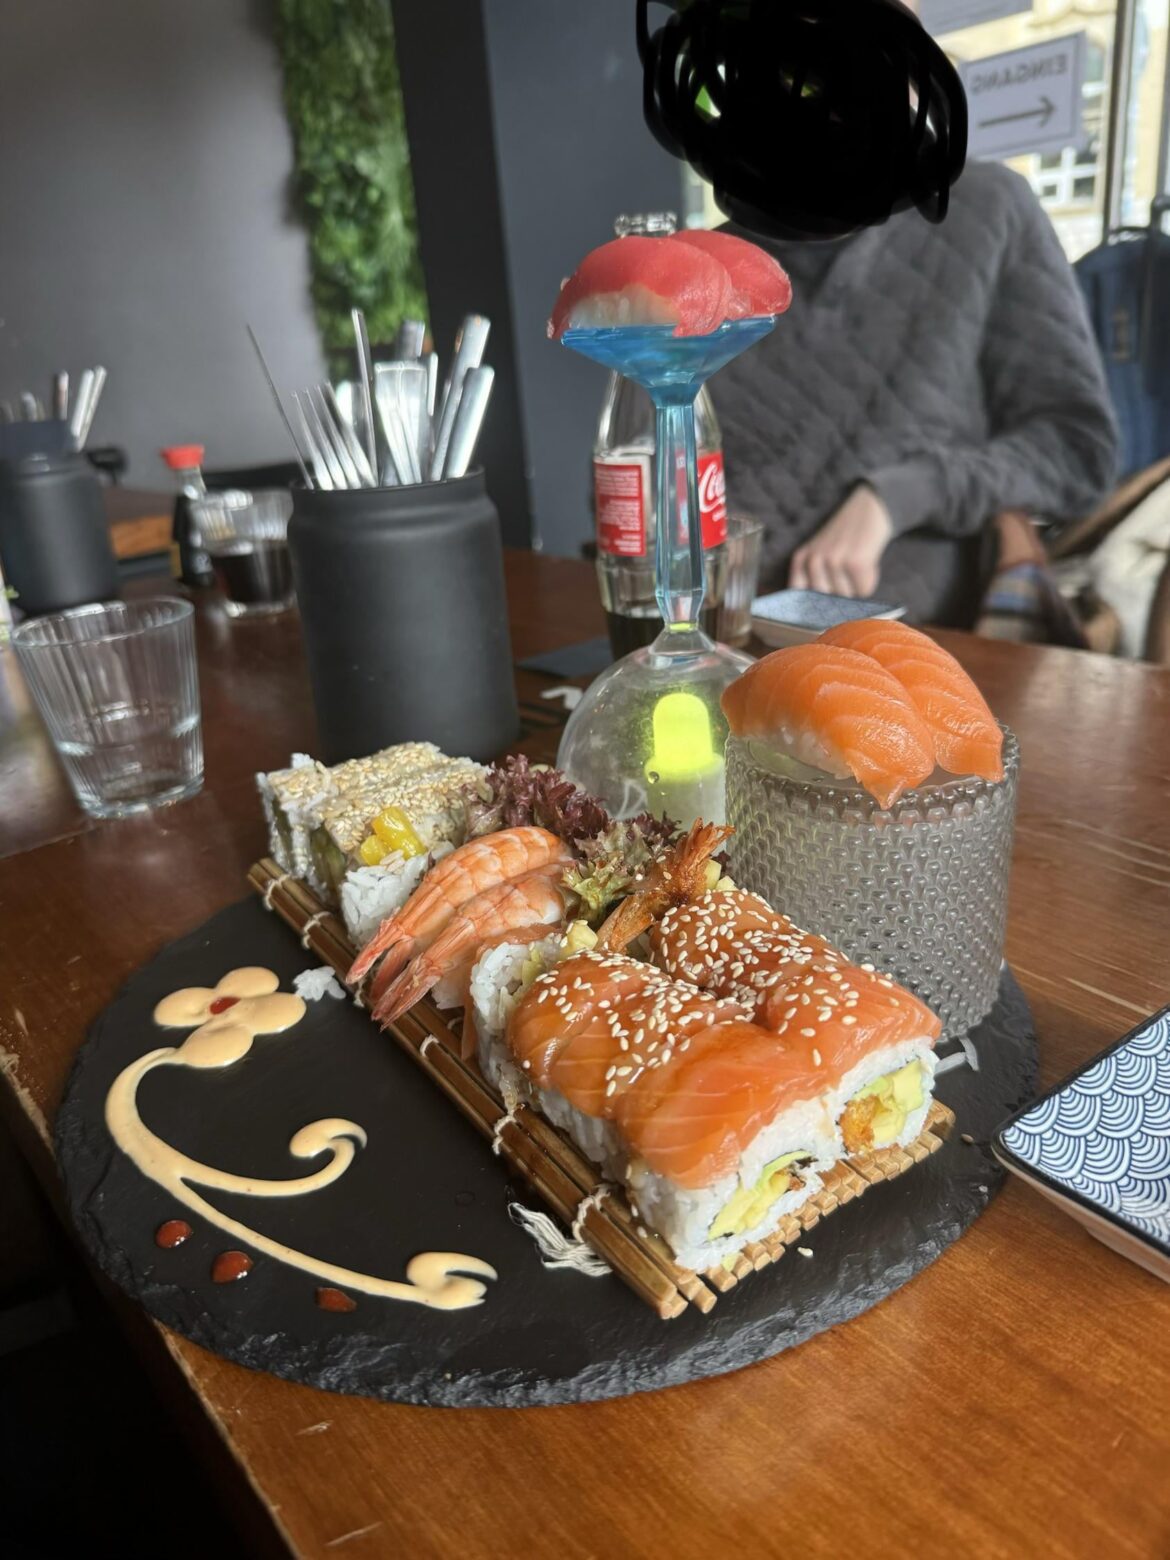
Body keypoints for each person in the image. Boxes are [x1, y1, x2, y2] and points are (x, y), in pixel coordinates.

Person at [710, 159, 1119, 624]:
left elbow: (1077, 452)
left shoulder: (987, 209)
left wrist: (896, 497)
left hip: (927, 643)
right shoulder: (710, 270)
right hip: (726, 631)